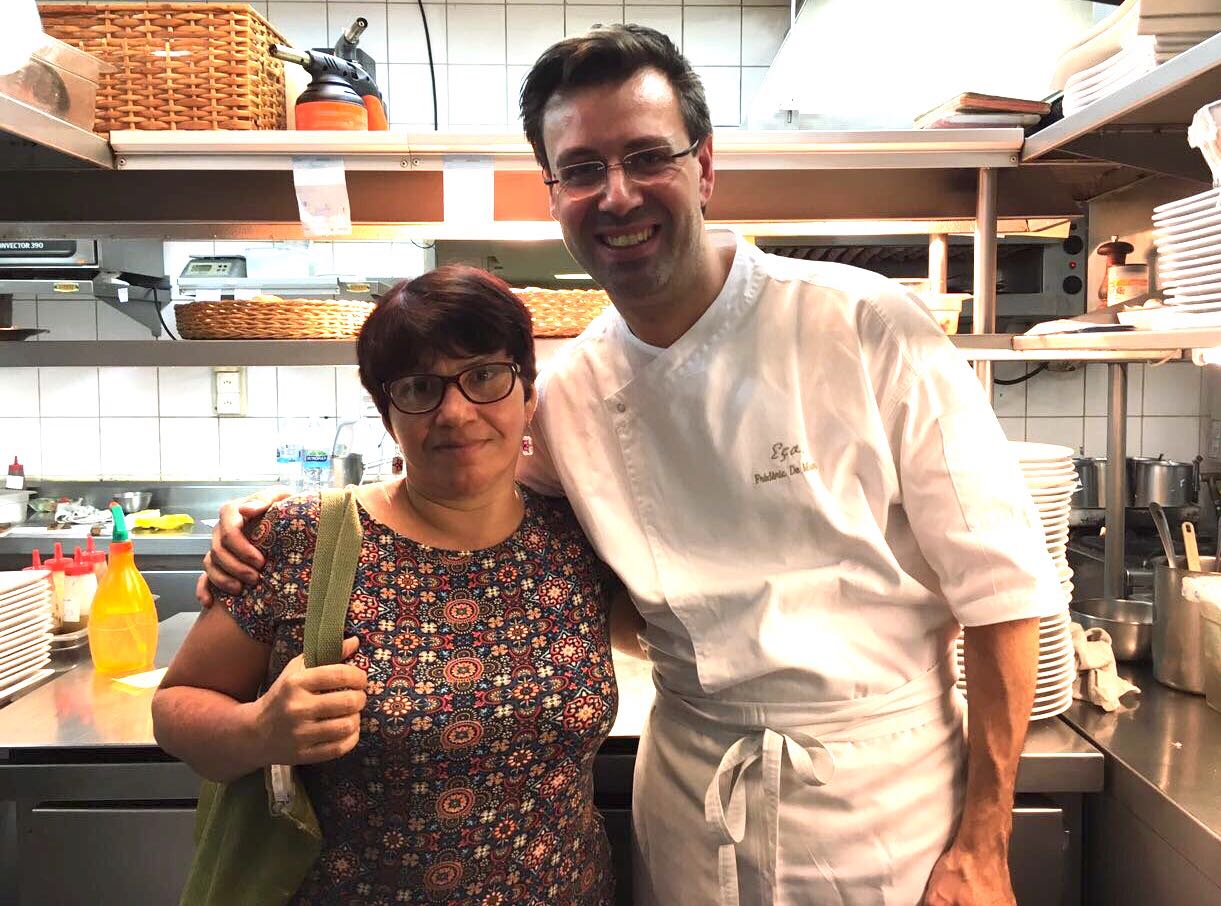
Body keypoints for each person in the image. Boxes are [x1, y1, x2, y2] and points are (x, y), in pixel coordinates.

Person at [200, 25, 1063, 906]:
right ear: (553, 192)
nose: (616, 195)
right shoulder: (571, 390)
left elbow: (1003, 592)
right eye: (581, 169)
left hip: (886, 799)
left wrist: (984, 842)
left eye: (647, 157)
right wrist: (284, 530)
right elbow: (461, 498)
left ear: (704, 166)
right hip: (692, 790)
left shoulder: (866, 324)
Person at [155, 266, 624, 905]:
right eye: (420, 387)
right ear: (388, 414)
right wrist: (258, 730)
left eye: (485, 375)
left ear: (528, 395)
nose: (455, 412)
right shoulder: (305, 539)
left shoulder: (580, 536)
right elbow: (176, 706)